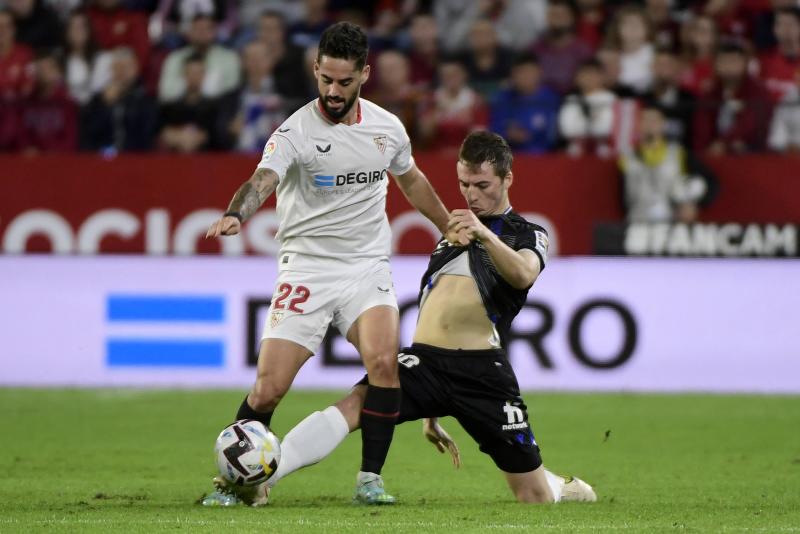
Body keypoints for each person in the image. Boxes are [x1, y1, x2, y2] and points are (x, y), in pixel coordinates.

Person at [205, 131, 597, 507]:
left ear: (508, 178)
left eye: (482, 185)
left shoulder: (525, 233)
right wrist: (432, 411)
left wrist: (484, 235)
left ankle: (556, 484)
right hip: (425, 362)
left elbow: (524, 275)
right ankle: (262, 478)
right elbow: (434, 307)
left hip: (482, 373)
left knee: (533, 496)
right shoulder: (451, 233)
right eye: (464, 184)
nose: (471, 195)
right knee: (355, 404)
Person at [201, 21, 454, 506]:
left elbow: (413, 181)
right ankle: (235, 483)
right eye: (326, 80)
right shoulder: (294, 130)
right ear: (316, 69)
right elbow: (262, 180)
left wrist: (446, 224)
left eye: (344, 82)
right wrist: (237, 214)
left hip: (365, 266)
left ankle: (369, 480)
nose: (333, 92)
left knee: (384, 363)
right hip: (307, 269)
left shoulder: (387, 128)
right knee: (269, 388)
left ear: (364, 74)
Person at [621, 105, 718, 223]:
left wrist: (695, 205)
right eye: (645, 119)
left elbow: (711, 181)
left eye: (654, 120)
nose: (649, 124)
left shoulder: (678, 154)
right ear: (638, 124)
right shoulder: (627, 157)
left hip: (670, 226)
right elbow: (623, 195)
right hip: (636, 225)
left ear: (663, 124)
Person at [489, 52, 560, 154]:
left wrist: (531, 136)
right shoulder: (503, 98)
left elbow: (554, 136)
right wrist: (507, 134)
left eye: (529, 72)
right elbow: (493, 129)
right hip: (508, 158)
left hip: (543, 158)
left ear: (539, 72)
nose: (525, 77)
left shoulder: (551, 99)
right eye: (520, 72)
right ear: (512, 75)